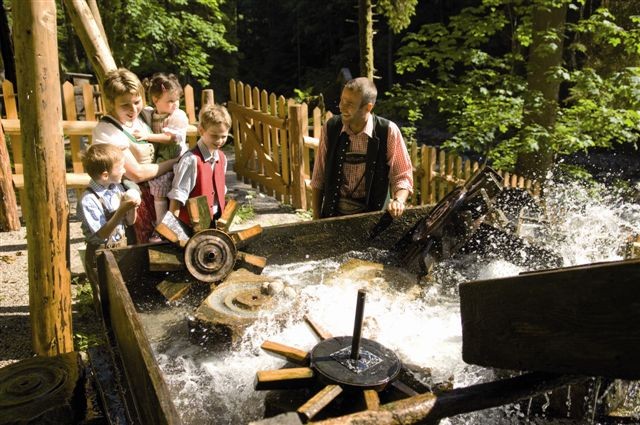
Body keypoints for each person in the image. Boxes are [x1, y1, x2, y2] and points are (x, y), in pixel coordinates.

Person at [92, 68, 178, 243]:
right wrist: (176, 162)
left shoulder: (144, 116)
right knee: (148, 250)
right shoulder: (107, 130)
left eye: (137, 101)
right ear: (111, 103)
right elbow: (136, 173)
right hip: (135, 198)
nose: (133, 109)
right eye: (125, 105)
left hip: (160, 189)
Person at [311, 77, 413, 220]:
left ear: (368, 107)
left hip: (373, 218)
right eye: (342, 101)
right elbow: (318, 177)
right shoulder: (331, 127)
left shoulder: (388, 131)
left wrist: (399, 201)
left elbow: (402, 176)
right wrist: (316, 217)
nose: (342, 107)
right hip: (332, 216)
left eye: (350, 104)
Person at [77, 143, 141, 286]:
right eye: (120, 168)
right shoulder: (88, 199)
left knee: (124, 291)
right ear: (105, 175)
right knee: (105, 295)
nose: (124, 171)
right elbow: (101, 234)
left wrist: (132, 207)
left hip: (120, 249)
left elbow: (130, 222)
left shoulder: (116, 188)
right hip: (100, 255)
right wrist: (121, 210)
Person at [140, 73, 189, 239]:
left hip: (177, 158)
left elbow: (170, 138)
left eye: (177, 100)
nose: (175, 104)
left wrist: (147, 136)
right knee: (159, 191)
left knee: (168, 189)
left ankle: (165, 227)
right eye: (170, 101)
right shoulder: (151, 113)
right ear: (155, 100)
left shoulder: (178, 116)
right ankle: (162, 225)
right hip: (161, 159)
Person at [168, 103, 230, 226]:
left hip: (216, 219)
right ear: (201, 130)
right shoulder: (191, 160)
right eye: (214, 136)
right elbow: (177, 197)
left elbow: (220, 191)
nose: (219, 141)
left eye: (223, 136)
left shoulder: (222, 158)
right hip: (192, 224)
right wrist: (173, 228)